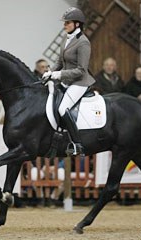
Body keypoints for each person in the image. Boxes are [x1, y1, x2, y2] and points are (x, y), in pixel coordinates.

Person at [42, 7, 95, 156]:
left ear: (77, 24)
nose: (64, 25)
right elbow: (60, 61)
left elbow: (81, 70)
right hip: (65, 80)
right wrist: (50, 72)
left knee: (62, 108)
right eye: (64, 23)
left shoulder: (84, 43)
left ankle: (77, 144)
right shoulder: (66, 38)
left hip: (79, 82)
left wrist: (58, 75)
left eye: (67, 23)